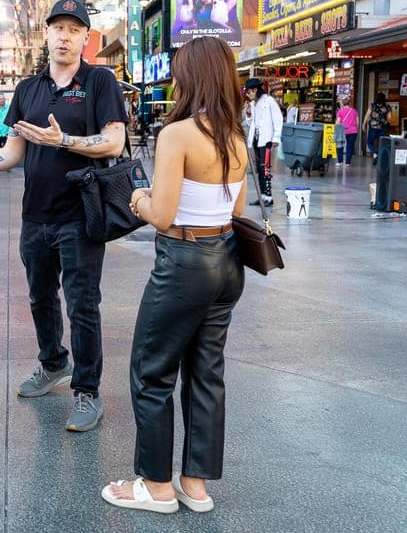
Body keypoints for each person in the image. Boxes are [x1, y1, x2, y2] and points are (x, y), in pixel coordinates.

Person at [0, 0, 128, 432]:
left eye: (74, 29)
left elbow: (114, 143)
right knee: (40, 297)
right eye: (58, 28)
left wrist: (63, 140)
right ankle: (53, 364)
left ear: (85, 38)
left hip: (81, 215)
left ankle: (87, 390)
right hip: (36, 216)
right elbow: (13, 150)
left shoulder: (99, 81)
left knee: (83, 305)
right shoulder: (28, 90)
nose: (65, 36)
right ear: (46, 34)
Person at [101, 36, 247, 515]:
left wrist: (135, 197)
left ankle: (157, 486)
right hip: (227, 262)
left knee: (151, 370)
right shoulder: (236, 136)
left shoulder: (178, 134)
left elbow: (161, 215)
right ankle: (195, 485)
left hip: (184, 264)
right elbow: (237, 209)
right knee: (207, 374)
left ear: (191, 77)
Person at [242, 78, 282, 206]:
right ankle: (262, 196)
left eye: (249, 92)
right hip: (256, 139)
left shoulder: (269, 101)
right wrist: (248, 113)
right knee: (259, 169)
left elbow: (278, 119)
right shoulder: (253, 104)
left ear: (255, 90)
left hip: (267, 140)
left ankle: (269, 198)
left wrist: (276, 137)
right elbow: (250, 123)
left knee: (265, 169)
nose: (248, 95)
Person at [363, 92, 391, 163]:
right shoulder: (387, 106)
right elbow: (389, 118)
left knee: (369, 142)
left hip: (373, 126)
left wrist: (364, 124)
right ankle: (379, 156)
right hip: (382, 127)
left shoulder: (373, 105)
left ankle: (375, 153)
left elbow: (367, 115)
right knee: (380, 143)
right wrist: (385, 121)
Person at [335, 99, 359, 168]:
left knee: (340, 146)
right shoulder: (354, 111)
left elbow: (338, 122)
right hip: (353, 131)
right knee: (350, 146)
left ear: (343, 104)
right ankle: (348, 163)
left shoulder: (340, 111)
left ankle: (340, 162)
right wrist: (354, 127)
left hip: (343, 131)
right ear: (350, 103)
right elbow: (357, 122)